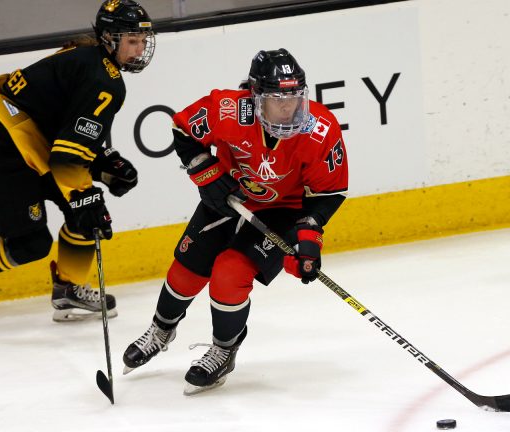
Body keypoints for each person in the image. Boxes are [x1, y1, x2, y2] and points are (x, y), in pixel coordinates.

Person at [0, 0, 155, 325]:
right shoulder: (105, 81)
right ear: (109, 38)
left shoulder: (84, 58)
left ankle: (70, 288)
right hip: (0, 146)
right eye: (131, 41)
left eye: (142, 41)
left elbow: (62, 131)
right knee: (31, 242)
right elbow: (67, 155)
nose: (138, 50)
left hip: (15, 138)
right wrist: (84, 193)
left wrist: (100, 164)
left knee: (83, 216)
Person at [122, 48, 349, 395]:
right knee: (186, 270)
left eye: (295, 97)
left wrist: (308, 237)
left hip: (283, 209)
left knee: (229, 272)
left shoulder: (320, 129)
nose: (289, 107)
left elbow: (328, 193)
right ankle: (161, 329)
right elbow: (183, 129)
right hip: (228, 195)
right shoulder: (229, 109)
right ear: (256, 96)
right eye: (277, 99)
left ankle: (224, 350)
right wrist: (207, 174)